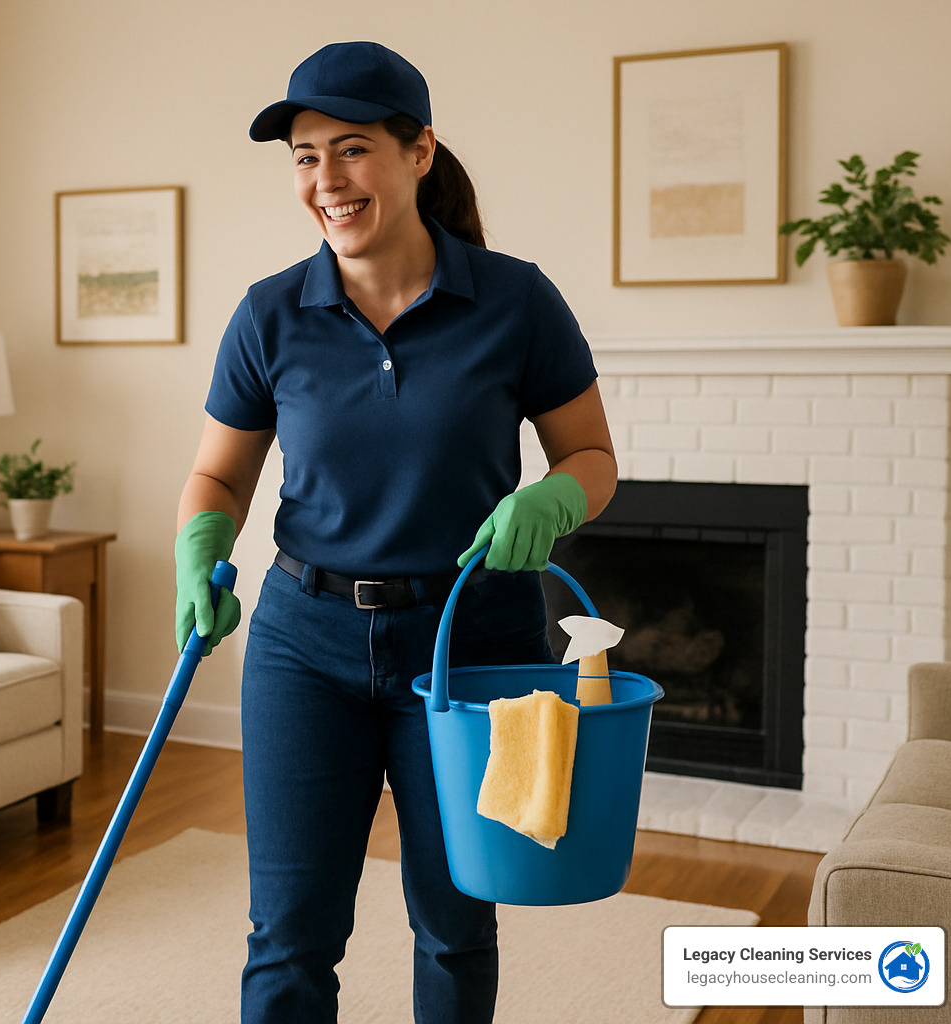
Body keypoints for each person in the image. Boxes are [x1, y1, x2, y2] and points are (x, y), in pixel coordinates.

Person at [172, 41, 617, 1024]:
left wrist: (552, 500)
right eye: (305, 156)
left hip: (472, 643)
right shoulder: (269, 315)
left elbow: (591, 456)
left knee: (455, 922)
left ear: (419, 152)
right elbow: (219, 473)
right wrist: (199, 548)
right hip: (304, 643)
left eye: (352, 149)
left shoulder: (516, 300)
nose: (326, 180)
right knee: (289, 934)